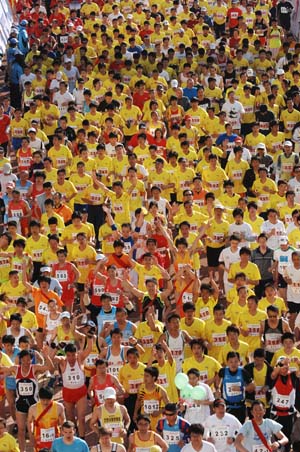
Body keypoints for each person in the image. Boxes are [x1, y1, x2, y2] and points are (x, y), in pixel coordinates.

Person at [54, 341, 93, 439]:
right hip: (68, 393)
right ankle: (75, 432)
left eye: (73, 355)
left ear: (76, 354)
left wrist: (90, 338)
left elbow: (89, 349)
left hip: (80, 392)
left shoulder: (80, 359)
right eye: (68, 355)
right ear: (66, 355)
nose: (71, 358)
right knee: (70, 417)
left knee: (81, 417)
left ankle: (82, 438)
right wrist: (57, 347)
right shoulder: (63, 361)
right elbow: (51, 357)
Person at [27, 386, 65, 452]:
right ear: (39, 398)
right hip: (39, 439)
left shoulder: (59, 407)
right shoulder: (33, 408)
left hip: (55, 438)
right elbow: (29, 422)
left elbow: (63, 420)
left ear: (52, 397)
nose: (45, 402)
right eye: (43, 400)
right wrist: (31, 435)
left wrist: (63, 433)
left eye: (48, 400)